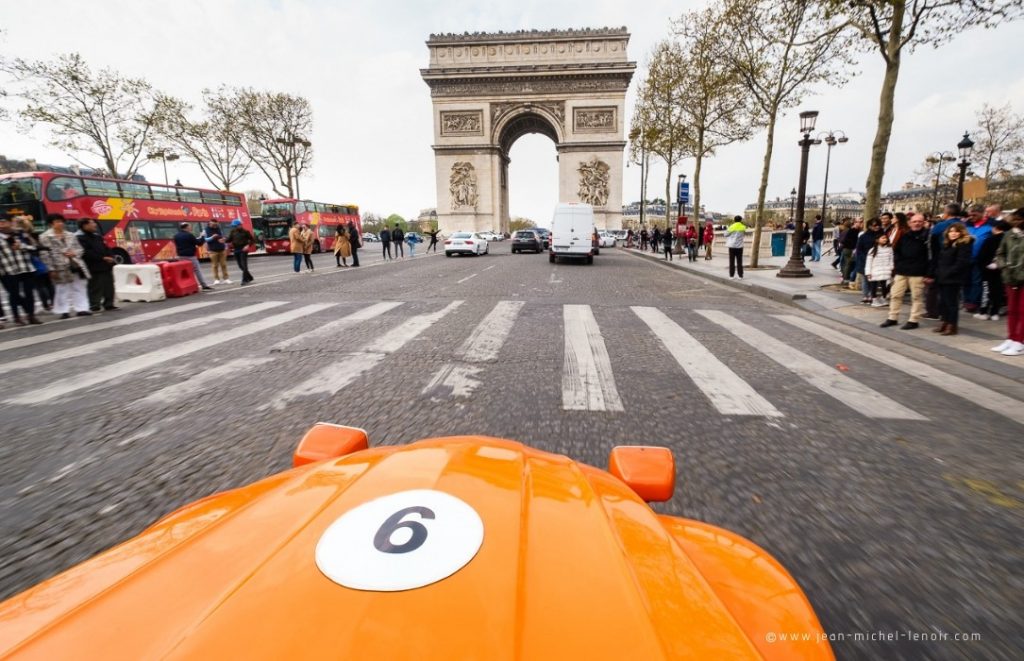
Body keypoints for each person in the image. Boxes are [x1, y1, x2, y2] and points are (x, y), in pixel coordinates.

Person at [881, 213, 930, 330]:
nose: (917, 223)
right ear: (910, 223)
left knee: (916, 297)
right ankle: (892, 317)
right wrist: (897, 264)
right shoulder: (905, 235)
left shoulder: (928, 236)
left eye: (919, 221)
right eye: (914, 221)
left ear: (923, 223)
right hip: (902, 270)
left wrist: (928, 272)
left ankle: (913, 320)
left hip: (918, 271)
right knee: (895, 295)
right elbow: (896, 251)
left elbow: (931, 255)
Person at [40, 214, 91, 318]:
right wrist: (51, 269)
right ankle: (63, 310)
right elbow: (44, 255)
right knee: (62, 289)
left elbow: (80, 249)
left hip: (75, 264)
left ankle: (82, 308)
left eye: (62, 221)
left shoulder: (70, 235)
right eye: (57, 222)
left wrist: (74, 253)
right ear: (51, 224)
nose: (61, 224)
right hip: (59, 266)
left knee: (80, 286)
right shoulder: (44, 237)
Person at [931, 222, 973, 335]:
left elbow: (961, 263)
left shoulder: (964, 244)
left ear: (961, 233)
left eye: (956, 231)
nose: (953, 234)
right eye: (951, 231)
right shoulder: (947, 244)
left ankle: (952, 325)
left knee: (951, 303)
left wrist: (948, 272)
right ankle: (944, 321)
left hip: (953, 278)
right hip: (942, 277)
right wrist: (938, 272)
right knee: (942, 302)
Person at [993, 208, 1024, 356]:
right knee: (1012, 310)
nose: (1016, 222)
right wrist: (1003, 266)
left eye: (1019, 219)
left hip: (1022, 277)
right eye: (1015, 219)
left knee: (1022, 310)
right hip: (1010, 277)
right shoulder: (1009, 235)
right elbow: (1000, 253)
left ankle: (1020, 341)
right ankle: (1011, 337)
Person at [0, 215, 42, 325]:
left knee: (29, 293)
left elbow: (34, 247)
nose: (2, 224)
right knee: (14, 294)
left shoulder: (20, 233)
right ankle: (17, 317)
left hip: (26, 267)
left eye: (4, 221)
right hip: (8, 269)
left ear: (10, 223)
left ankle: (31, 315)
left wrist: (21, 247)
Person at [77, 219, 118, 312]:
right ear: (85, 226)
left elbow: (106, 247)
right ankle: (94, 304)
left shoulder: (97, 237)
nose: (95, 225)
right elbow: (86, 252)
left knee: (109, 285)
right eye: (92, 223)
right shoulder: (80, 238)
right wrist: (102, 258)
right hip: (93, 266)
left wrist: (111, 256)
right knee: (95, 286)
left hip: (106, 265)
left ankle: (109, 303)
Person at [976, 220, 1008, 321]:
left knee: (986, 291)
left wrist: (984, 265)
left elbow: (981, 256)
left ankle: (984, 312)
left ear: (995, 228)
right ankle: (995, 312)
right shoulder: (1008, 240)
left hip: (988, 269)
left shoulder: (989, 240)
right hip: (1002, 269)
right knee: (998, 291)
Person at [174, 222, 213, 291]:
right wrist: (202, 236)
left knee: (185, 272)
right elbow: (199, 243)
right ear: (186, 227)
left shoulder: (176, 236)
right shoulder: (189, 235)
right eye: (190, 226)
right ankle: (204, 285)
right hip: (190, 256)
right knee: (197, 270)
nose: (190, 228)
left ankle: (187, 286)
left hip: (181, 256)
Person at [855, 218, 883, 303]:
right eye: (874, 225)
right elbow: (859, 249)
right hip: (865, 260)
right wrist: (864, 258)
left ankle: (872, 295)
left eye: (878, 225)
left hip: (877, 260)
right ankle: (865, 296)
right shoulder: (863, 236)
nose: (877, 227)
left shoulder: (882, 235)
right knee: (865, 279)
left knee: (874, 280)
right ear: (869, 226)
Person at [865, 232, 894, 307]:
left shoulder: (889, 249)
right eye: (883, 238)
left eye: (885, 238)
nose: (885, 239)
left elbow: (891, 259)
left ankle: (883, 298)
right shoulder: (872, 250)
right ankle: (874, 299)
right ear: (877, 240)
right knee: (874, 286)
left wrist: (891, 268)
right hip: (875, 270)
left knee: (885, 285)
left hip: (886, 270)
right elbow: (868, 262)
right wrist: (868, 272)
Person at [227, 219, 255, 284]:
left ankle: (244, 280)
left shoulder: (246, 232)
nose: (234, 227)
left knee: (244, 265)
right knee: (240, 266)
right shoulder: (232, 232)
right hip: (236, 250)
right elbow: (229, 239)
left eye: (235, 226)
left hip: (243, 249)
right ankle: (250, 277)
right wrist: (224, 240)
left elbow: (252, 240)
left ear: (240, 225)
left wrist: (248, 245)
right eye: (233, 226)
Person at [203, 221, 230, 285]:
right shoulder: (205, 230)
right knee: (215, 266)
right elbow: (205, 239)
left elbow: (224, 237)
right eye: (213, 224)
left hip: (222, 249)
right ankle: (216, 279)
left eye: (216, 224)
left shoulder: (219, 229)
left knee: (224, 265)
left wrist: (225, 243)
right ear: (209, 224)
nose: (215, 225)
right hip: (212, 250)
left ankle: (226, 279)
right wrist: (212, 237)